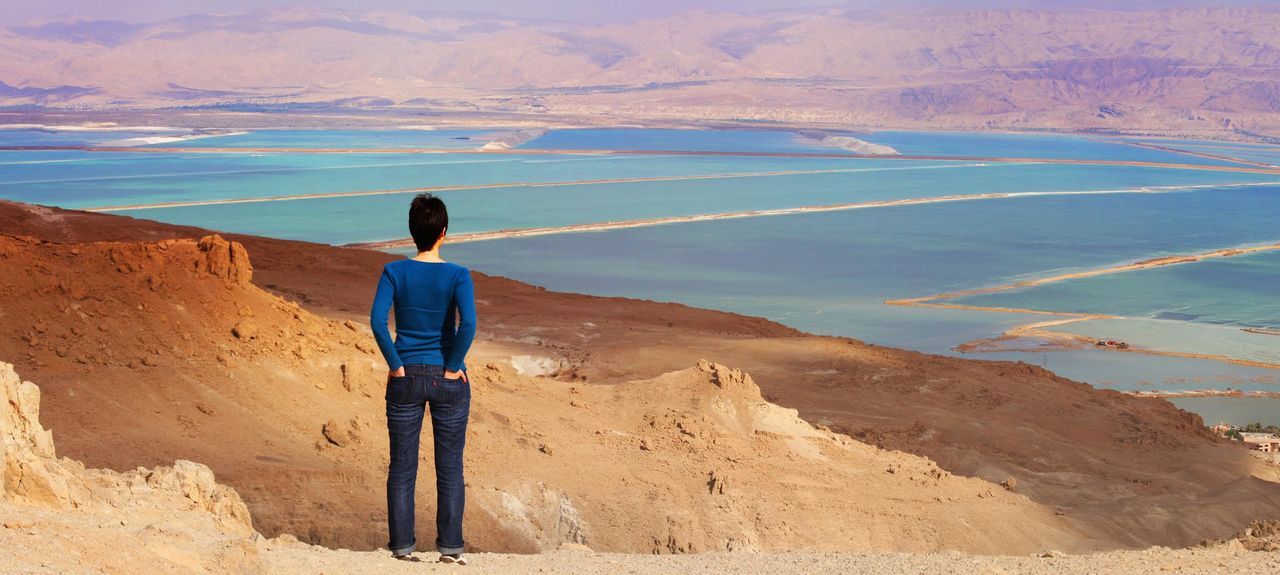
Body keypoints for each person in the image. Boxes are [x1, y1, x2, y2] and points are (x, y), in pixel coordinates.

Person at [370, 193, 477, 565]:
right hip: (448, 380)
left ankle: (402, 549)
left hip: (405, 377)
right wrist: (453, 364)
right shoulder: (458, 275)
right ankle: (450, 550)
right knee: (450, 467)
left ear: (412, 231)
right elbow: (470, 324)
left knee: (402, 466)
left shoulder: (393, 272)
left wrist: (396, 364)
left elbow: (377, 322)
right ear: (443, 232)